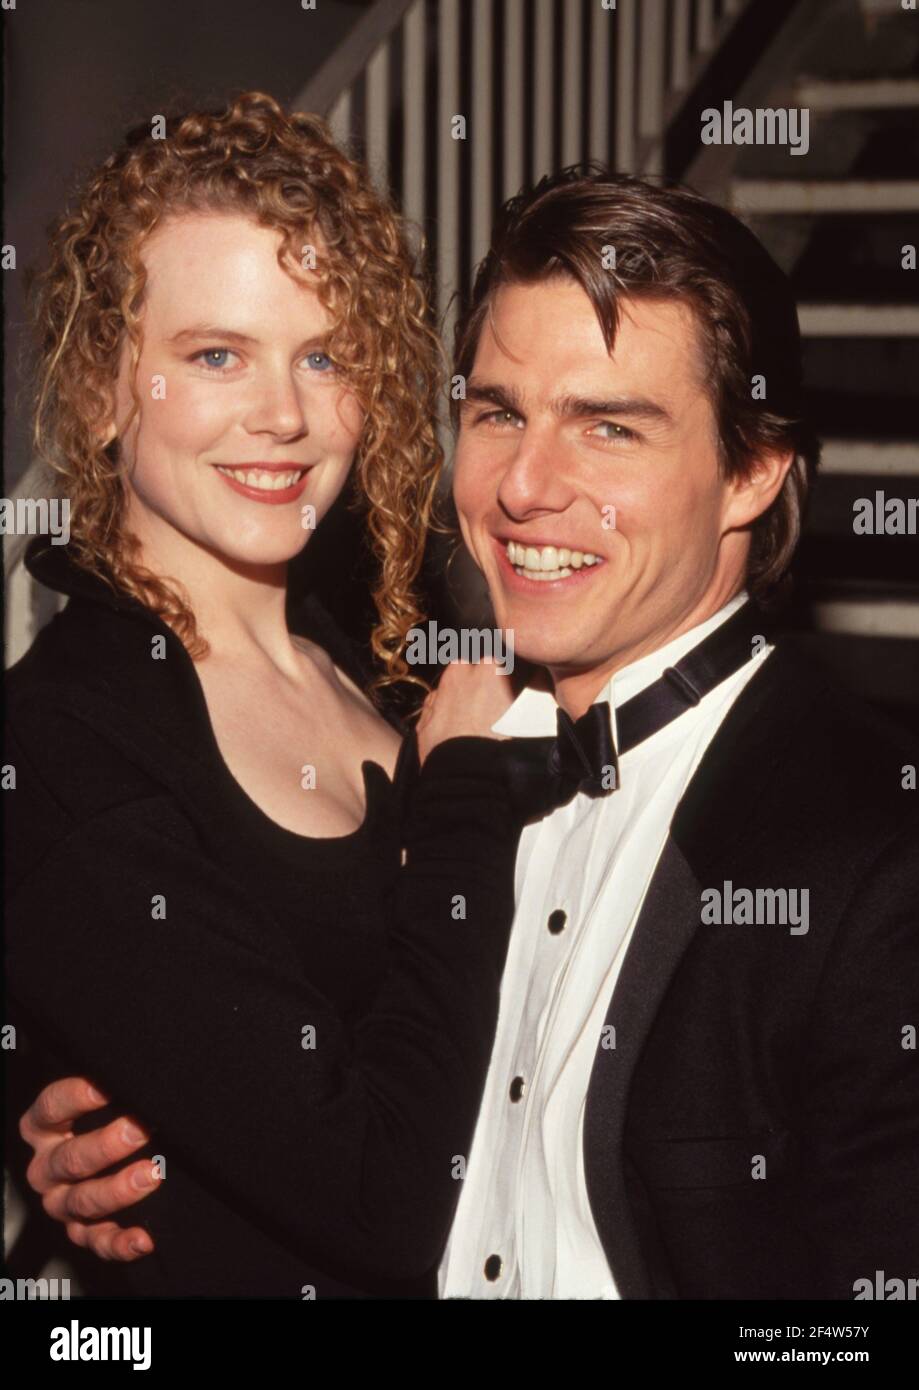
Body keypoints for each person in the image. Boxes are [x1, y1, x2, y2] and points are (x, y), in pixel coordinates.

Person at [19, 171, 919, 1300]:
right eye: (498, 412)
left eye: (608, 426)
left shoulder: (866, 868)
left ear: (750, 472)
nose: (525, 486)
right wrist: (109, 1123)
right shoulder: (433, 719)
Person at [4, 90, 523, 1298]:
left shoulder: (371, 660)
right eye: (216, 354)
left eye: (325, 354)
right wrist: (458, 799)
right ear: (101, 390)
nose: (284, 415)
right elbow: (380, 1200)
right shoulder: (72, 743)